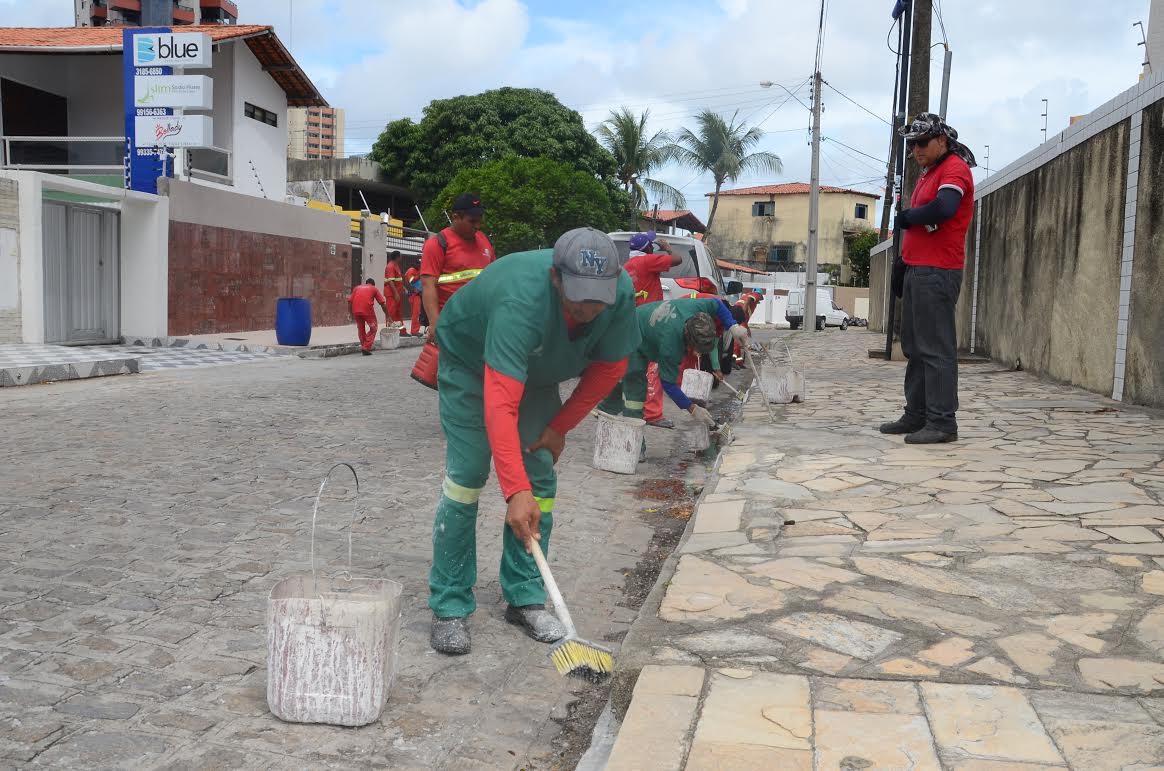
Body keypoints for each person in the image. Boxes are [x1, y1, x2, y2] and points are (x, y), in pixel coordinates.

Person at [427, 228, 640, 655]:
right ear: (555, 279)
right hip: (471, 365)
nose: (589, 309)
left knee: (539, 473)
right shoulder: (521, 299)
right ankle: (450, 604)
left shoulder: (620, 295)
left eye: (599, 298)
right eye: (579, 297)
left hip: (537, 373)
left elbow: (609, 369)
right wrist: (513, 490)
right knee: (467, 476)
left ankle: (524, 596)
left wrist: (559, 427)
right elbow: (500, 404)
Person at [880, 112, 977, 444]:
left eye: (922, 142)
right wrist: (902, 264)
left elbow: (945, 208)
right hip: (918, 267)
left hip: (938, 270)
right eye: (912, 144)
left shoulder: (954, 169)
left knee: (936, 349)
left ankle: (942, 421)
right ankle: (917, 413)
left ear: (941, 141)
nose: (916, 150)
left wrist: (907, 217)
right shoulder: (928, 172)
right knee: (915, 347)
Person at [599, 297, 749, 454]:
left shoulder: (696, 309)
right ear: (689, 341)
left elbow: (717, 303)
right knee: (635, 390)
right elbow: (668, 384)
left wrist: (733, 326)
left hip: (642, 320)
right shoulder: (671, 344)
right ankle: (634, 447)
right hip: (631, 336)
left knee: (626, 377)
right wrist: (692, 408)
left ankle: (606, 409)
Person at [623, 231, 682, 429]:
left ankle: (622, 408)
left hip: (633, 321)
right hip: (652, 322)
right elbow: (677, 259)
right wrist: (667, 248)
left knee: (634, 368)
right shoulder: (647, 261)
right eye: (651, 244)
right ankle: (653, 414)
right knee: (653, 369)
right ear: (646, 248)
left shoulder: (628, 266)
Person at [420, 192, 494, 344]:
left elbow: (493, 277)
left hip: (481, 324)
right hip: (452, 325)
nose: (477, 226)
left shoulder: (483, 239)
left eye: (480, 221)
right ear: (455, 217)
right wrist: (434, 323)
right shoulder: (437, 244)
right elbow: (428, 285)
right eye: (472, 221)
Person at [348, 278, 388, 356]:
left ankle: (364, 346)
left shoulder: (357, 288)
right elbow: (382, 303)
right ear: (373, 284)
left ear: (366, 283)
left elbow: (350, 302)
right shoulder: (374, 288)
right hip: (367, 309)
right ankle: (366, 347)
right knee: (374, 328)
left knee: (361, 328)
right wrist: (388, 315)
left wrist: (350, 313)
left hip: (355, 310)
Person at [383, 251, 404, 329]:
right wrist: (395, 294)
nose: (401, 257)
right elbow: (390, 281)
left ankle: (401, 331)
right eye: (400, 256)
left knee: (398, 313)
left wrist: (403, 288)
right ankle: (390, 330)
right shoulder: (390, 266)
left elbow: (398, 280)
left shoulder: (396, 265)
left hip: (397, 293)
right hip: (392, 295)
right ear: (397, 257)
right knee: (391, 312)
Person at [404, 261, 423, 336]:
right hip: (414, 295)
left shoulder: (417, 270)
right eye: (418, 264)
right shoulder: (411, 271)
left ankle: (415, 330)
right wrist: (419, 275)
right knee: (416, 314)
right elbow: (411, 280)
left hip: (417, 294)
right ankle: (414, 331)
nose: (420, 265)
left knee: (417, 313)